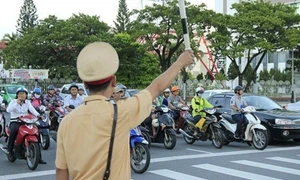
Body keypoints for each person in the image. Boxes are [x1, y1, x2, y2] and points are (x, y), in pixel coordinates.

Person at [55, 42, 194, 180]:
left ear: (84, 84)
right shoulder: (121, 111)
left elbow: (61, 172)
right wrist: (180, 62)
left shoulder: (67, 122)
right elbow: (156, 88)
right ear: (114, 81)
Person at [4, 87, 46, 163]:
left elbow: (32, 109)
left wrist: (39, 115)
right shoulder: (13, 101)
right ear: (17, 95)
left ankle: (39, 157)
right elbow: (8, 110)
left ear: (26, 95)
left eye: (23, 94)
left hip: (26, 121)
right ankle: (9, 149)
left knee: (36, 131)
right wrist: (17, 103)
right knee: (13, 131)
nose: (22, 95)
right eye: (20, 94)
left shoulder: (28, 102)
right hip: (15, 121)